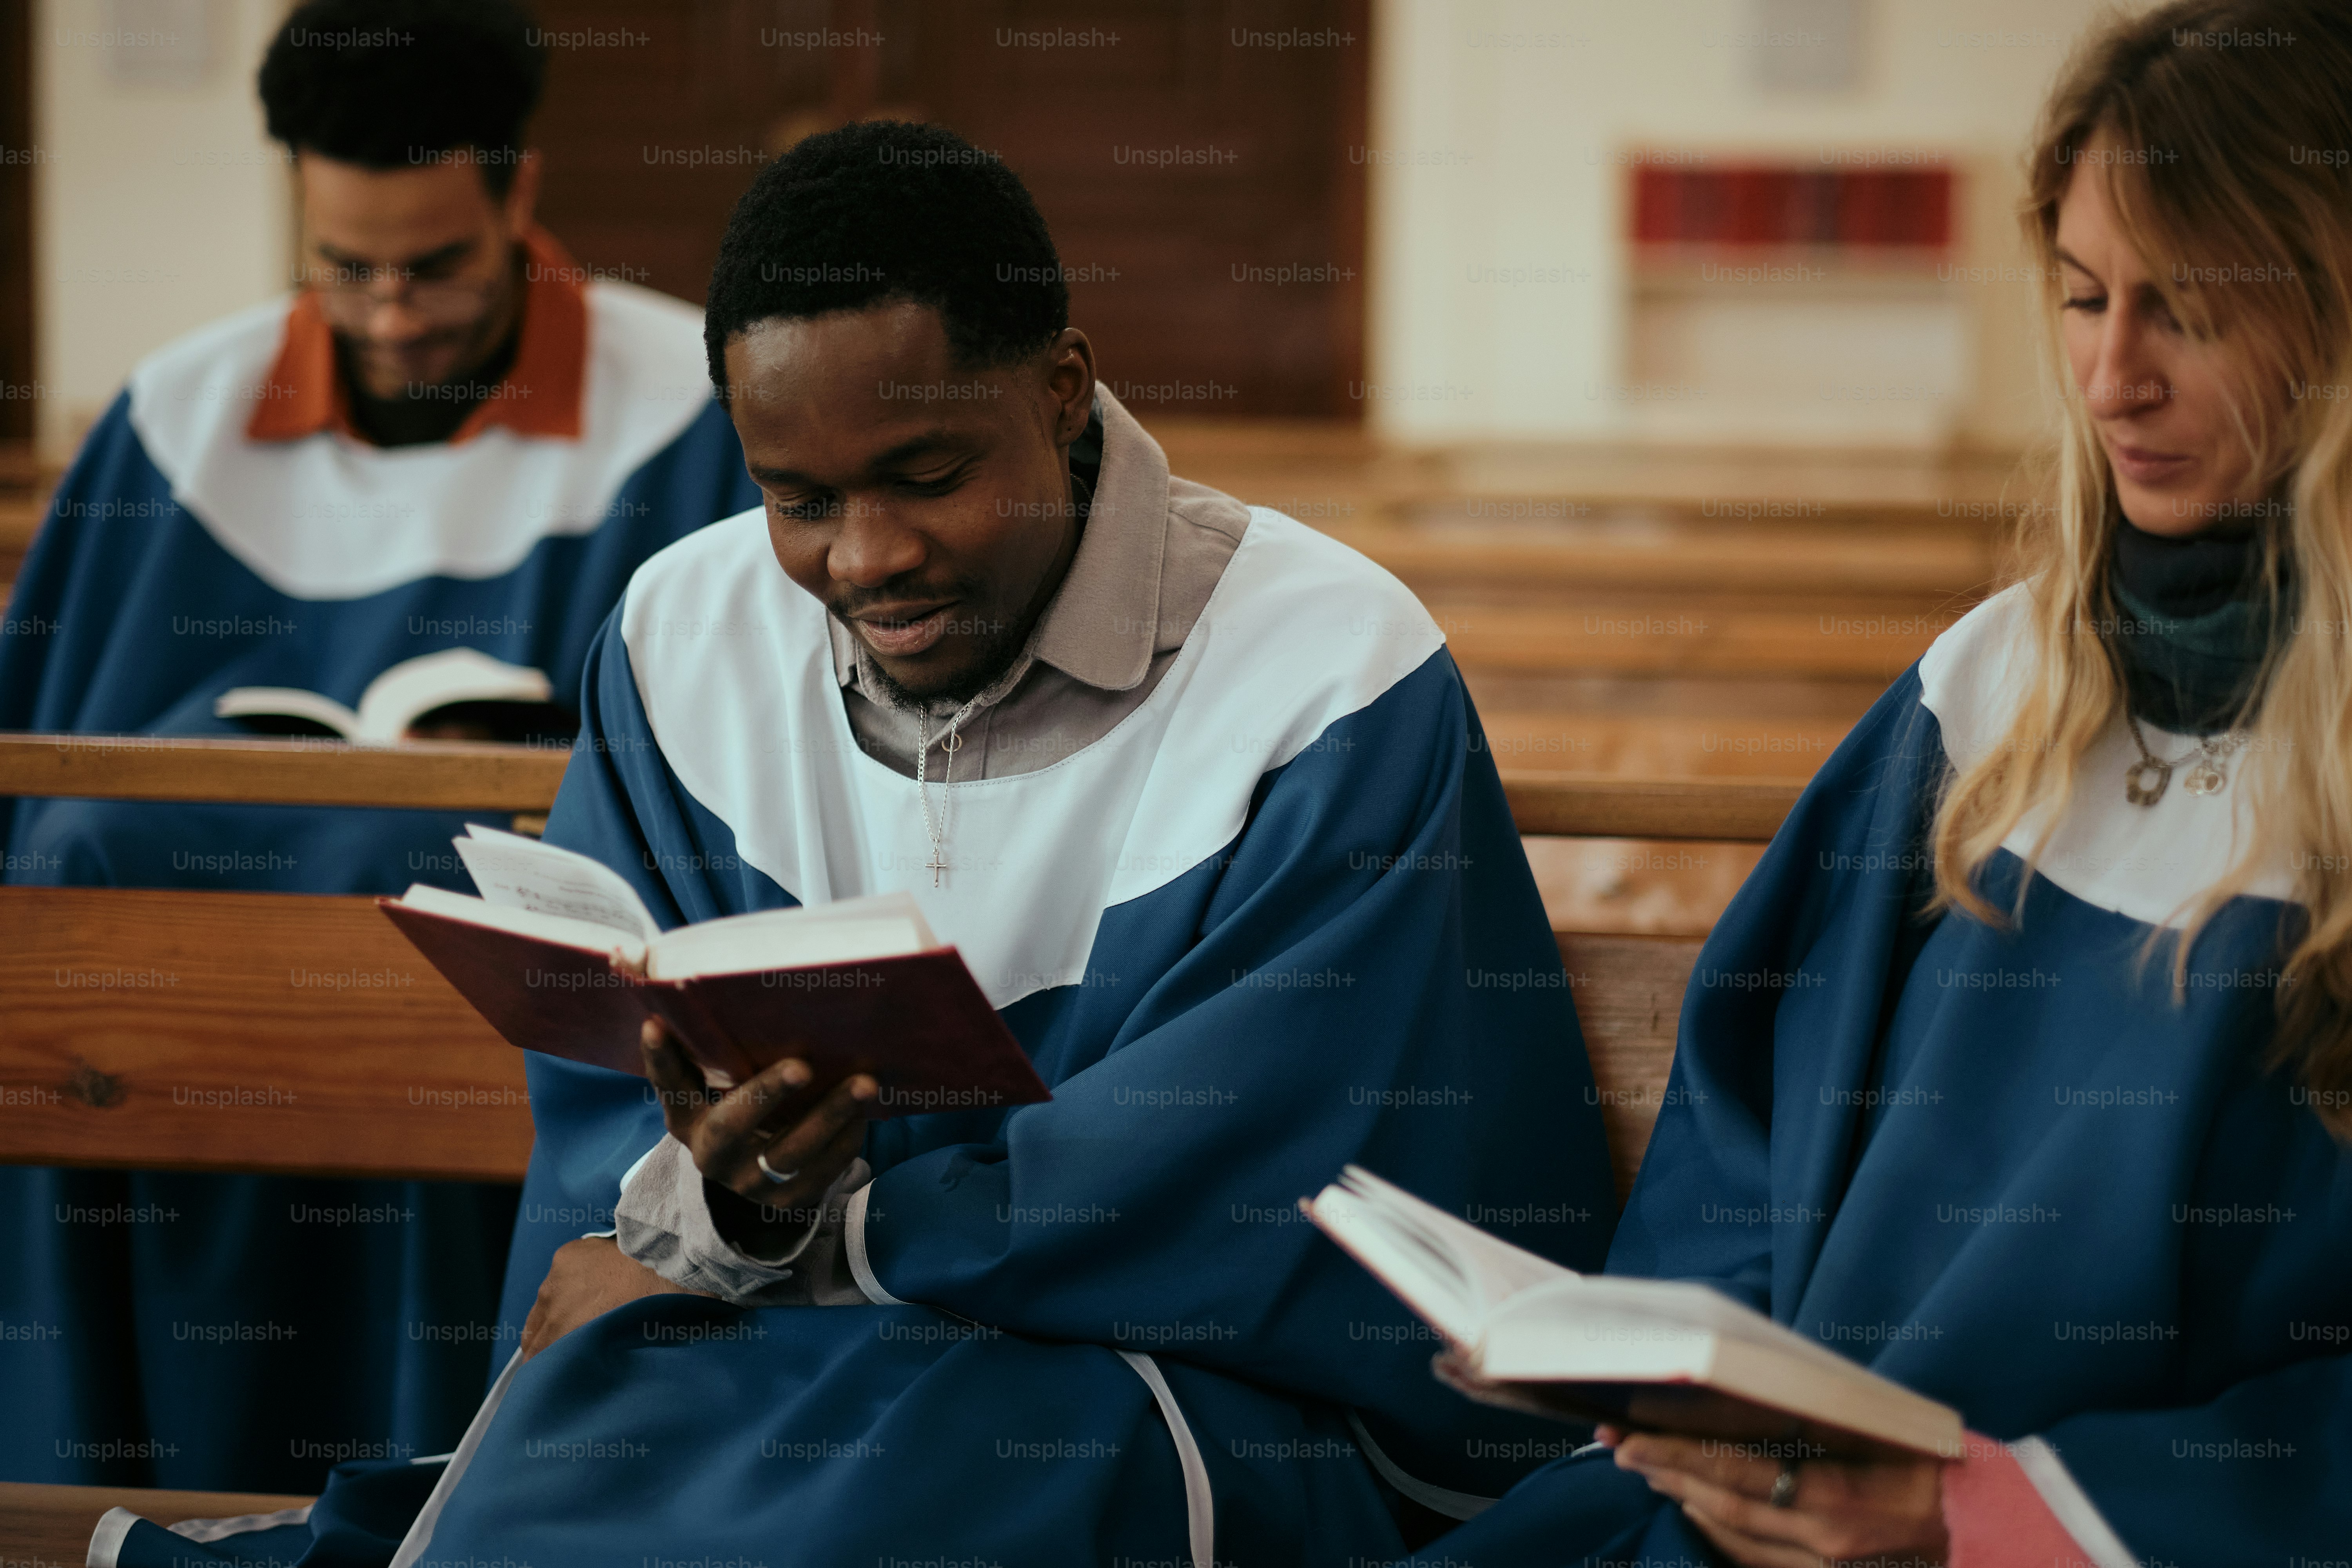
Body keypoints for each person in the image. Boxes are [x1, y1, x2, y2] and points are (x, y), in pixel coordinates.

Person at [85, 118, 1622, 1567]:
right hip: (778, 1329)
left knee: (900, 1501)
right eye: (797, 498)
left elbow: (1256, 1172)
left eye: (928, 477)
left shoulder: (1327, 671)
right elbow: (615, 1137)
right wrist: (730, 1194)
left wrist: (830, 1232)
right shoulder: (684, 632)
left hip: (1167, 1377)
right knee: (570, 1477)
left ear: (1065, 386)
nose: (866, 558)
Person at [1412, 4, 2352, 1564]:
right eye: (2082, 296)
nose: (2113, 377)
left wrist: (1989, 1514)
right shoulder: (1990, 691)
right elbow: (1743, 1115)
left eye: (2185, 309)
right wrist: (1688, 1387)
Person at [0, 0, 756, 1494]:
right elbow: (45, 745)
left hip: (492, 1013)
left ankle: (460, 1487)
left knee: (421, 869)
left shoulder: (682, 403)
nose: (392, 314)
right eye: (346, 268)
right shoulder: (179, 417)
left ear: (518, 192)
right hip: (160, 1034)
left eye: (436, 268)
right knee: (80, 870)